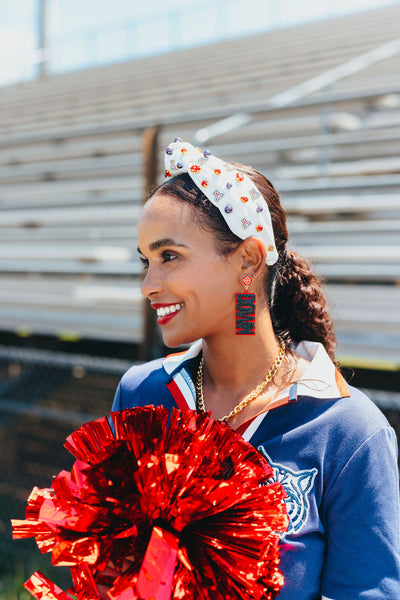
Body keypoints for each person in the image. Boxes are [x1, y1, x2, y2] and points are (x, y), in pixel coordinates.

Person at [112, 138, 400, 599]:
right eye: (145, 261)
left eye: (169, 257)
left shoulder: (349, 431)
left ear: (247, 260)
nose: (149, 285)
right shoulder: (139, 394)